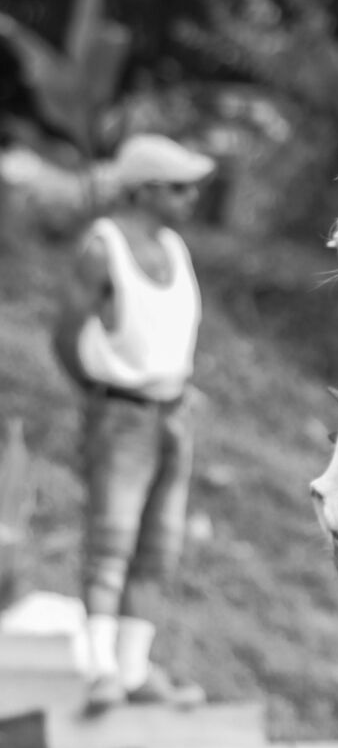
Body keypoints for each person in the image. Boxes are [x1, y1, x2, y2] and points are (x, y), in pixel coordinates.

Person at [52, 131, 214, 712]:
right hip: (121, 413)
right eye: (178, 187)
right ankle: (98, 668)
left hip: (173, 414)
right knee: (111, 541)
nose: (190, 198)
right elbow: (66, 333)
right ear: (145, 191)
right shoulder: (103, 247)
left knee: (157, 546)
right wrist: (100, 389)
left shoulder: (174, 247)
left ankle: (133, 666)